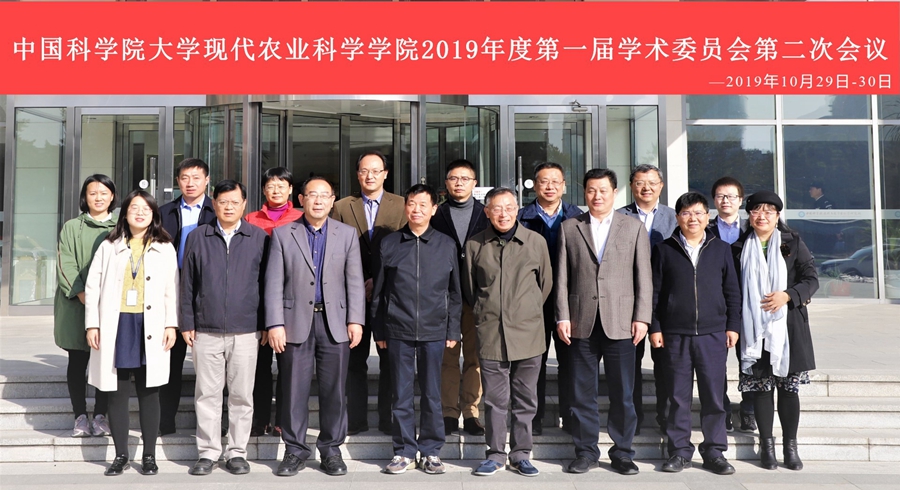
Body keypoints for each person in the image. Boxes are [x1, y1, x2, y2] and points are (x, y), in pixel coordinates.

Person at [266, 177, 366, 477]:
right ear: (301, 199)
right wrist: (275, 323)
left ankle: (331, 450)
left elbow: (354, 281)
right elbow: (273, 283)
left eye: (324, 195)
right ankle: (294, 450)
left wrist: (355, 320)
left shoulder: (346, 234)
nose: (318, 201)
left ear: (333, 200)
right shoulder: (283, 234)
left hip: (334, 323)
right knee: (293, 390)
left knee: (334, 390)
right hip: (294, 322)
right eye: (312, 195)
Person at [556, 168, 651, 475]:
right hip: (581, 321)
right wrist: (562, 316)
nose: (597, 196)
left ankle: (622, 452)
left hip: (621, 322)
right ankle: (586, 451)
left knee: (623, 393)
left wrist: (642, 317)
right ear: (584, 193)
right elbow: (562, 277)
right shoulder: (570, 227)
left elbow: (644, 277)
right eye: (591, 190)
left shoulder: (633, 227)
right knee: (581, 393)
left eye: (603, 190)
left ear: (614, 193)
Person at [85, 190, 179, 476]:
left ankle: (149, 455)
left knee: (150, 392)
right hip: (117, 324)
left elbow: (172, 289)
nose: (140, 213)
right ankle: (121, 455)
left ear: (154, 215)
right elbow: (93, 287)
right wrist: (92, 324)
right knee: (117, 392)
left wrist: (171, 324)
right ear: (124, 213)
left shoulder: (164, 247)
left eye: (146, 209)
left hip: (152, 324)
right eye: (134, 208)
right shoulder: (109, 245)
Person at [371, 184, 462, 475]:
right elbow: (379, 292)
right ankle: (404, 451)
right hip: (397, 328)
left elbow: (455, 292)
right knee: (401, 393)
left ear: (434, 209)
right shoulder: (390, 243)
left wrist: (453, 329)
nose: (416, 209)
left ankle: (431, 451)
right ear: (405, 207)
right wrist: (379, 331)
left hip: (435, 330)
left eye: (423, 205)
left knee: (433, 394)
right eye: (411, 203)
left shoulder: (446, 244)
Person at [181, 180, 269, 476]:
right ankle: (207, 452)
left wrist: (265, 323)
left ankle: (237, 452)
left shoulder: (258, 238)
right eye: (223, 202)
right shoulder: (198, 236)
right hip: (206, 329)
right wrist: (187, 321)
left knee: (242, 394)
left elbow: (267, 285)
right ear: (214, 204)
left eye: (234, 202)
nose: (228, 207)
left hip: (246, 330)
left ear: (244, 204)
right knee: (207, 394)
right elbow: (187, 283)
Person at [463, 187, 552, 478]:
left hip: (528, 333)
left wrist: (525, 310)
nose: (504, 214)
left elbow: (545, 285)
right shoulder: (475, 245)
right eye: (497, 208)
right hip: (491, 332)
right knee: (494, 400)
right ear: (487, 212)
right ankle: (495, 454)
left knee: (526, 399)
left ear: (517, 210)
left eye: (509, 208)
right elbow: (470, 289)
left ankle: (521, 454)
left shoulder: (535, 242)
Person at [651, 192, 740, 476]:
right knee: (677, 397)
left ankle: (714, 451)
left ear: (707, 217)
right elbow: (654, 294)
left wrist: (733, 325)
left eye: (699, 213)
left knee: (714, 396)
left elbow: (732, 291)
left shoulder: (720, 249)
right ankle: (679, 451)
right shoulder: (664, 249)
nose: (693, 218)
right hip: (675, 334)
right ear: (677, 217)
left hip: (713, 334)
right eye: (687, 213)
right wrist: (655, 327)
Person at [733, 191, 818, 471]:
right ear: (749, 215)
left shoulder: (793, 242)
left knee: (788, 390)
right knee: (761, 390)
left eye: (769, 211)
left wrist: (788, 295)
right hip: (753, 328)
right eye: (756, 210)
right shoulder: (738, 248)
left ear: (778, 216)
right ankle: (766, 447)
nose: (762, 216)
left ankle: (790, 447)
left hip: (788, 327)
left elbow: (811, 278)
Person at [331, 150, 407, 435]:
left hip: (390, 294)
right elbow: (336, 250)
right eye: (364, 170)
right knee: (354, 360)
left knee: (390, 361)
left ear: (385, 174)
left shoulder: (402, 205)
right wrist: (360, 281)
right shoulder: (341, 207)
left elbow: (405, 249)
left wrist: (379, 279)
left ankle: (387, 419)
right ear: (357, 174)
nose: (370, 176)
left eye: (376, 170)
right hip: (353, 295)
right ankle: (356, 419)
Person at [517, 162, 582, 436]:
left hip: (571, 300)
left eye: (556, 181)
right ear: (534, 185)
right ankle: (534, 418)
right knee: (534, 362)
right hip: (533, 300)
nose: (550, 186)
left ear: (564, 186)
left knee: (571, 361)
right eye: (544, 181)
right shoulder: (521, 217)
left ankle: (570, 416)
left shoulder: (578, 217)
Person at [54, 174, 117, 439]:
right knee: (78, 360)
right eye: (93, 193)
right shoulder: (72, 227)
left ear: (112, 196)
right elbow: (65, 263)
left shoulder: (120, 225)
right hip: (76, 304)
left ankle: (101, 415)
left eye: (104, 193)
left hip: (111, 304)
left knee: (105, 360)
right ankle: (80, 415)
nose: (98, 198)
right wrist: (83, 294)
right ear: (85, 197)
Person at [617, 163, 677, 435]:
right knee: (630, 363)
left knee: (666, 363)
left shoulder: (674, 217)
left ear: (661, 186)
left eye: (652, 183)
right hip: (628, 300)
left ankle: (665, 417)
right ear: (632, 186)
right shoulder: (619, 217)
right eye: (640, 182)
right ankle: (633, 419)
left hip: (665, 301)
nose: (646, 188)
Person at [430, 159, 488, 437]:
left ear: (474, 183)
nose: (459, 183)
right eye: (454, 178)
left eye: (465, 178)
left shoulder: (486, 213)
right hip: (444, 297)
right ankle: (448, 412)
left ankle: (471, 412)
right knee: (448, 358)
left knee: (475, 358)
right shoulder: (435, 214)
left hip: (478, 296)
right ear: (446, 183)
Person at [158, 158, 216, 436]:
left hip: (208, 293)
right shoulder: (163, 212)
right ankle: (165, 420)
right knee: (171, 359)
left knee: (211, 364)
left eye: (196, 177)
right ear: (178, 181)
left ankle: (210, 424)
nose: (190, 183)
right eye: (184, 178)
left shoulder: (218, 210)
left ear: (207, 180)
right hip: (172, 292)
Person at [245, 167, 303, 438]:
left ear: (291, 189)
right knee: (259, 365)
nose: (276, 190)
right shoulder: (251, 219)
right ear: (263, 190)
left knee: (288, 365)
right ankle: (259, 419)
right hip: (257, 300)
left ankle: (283, 419)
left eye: (281, 185)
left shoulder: (301, 218)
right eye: (270, 185)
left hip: (291, 301)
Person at [707, 176, 756, 433]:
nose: (726, 200)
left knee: (749, 359)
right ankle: (722, 410)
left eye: (731, 196)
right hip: (715, 304)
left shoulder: (753, 229)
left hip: (749, 304)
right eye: (720, 196)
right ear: (714, 200)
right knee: (716, 363)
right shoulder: (705, 229)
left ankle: (749, 410)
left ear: (741, 200)